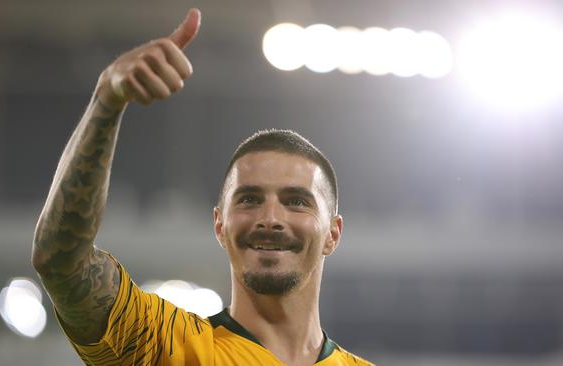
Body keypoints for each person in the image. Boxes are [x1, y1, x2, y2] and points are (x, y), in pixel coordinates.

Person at [32, 8, 374, 366]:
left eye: (296, 201)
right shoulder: (166, 345)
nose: (270, 218)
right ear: (219, 225)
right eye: (249, 199)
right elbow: (61, 264)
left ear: (333, 233)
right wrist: (106, 101)